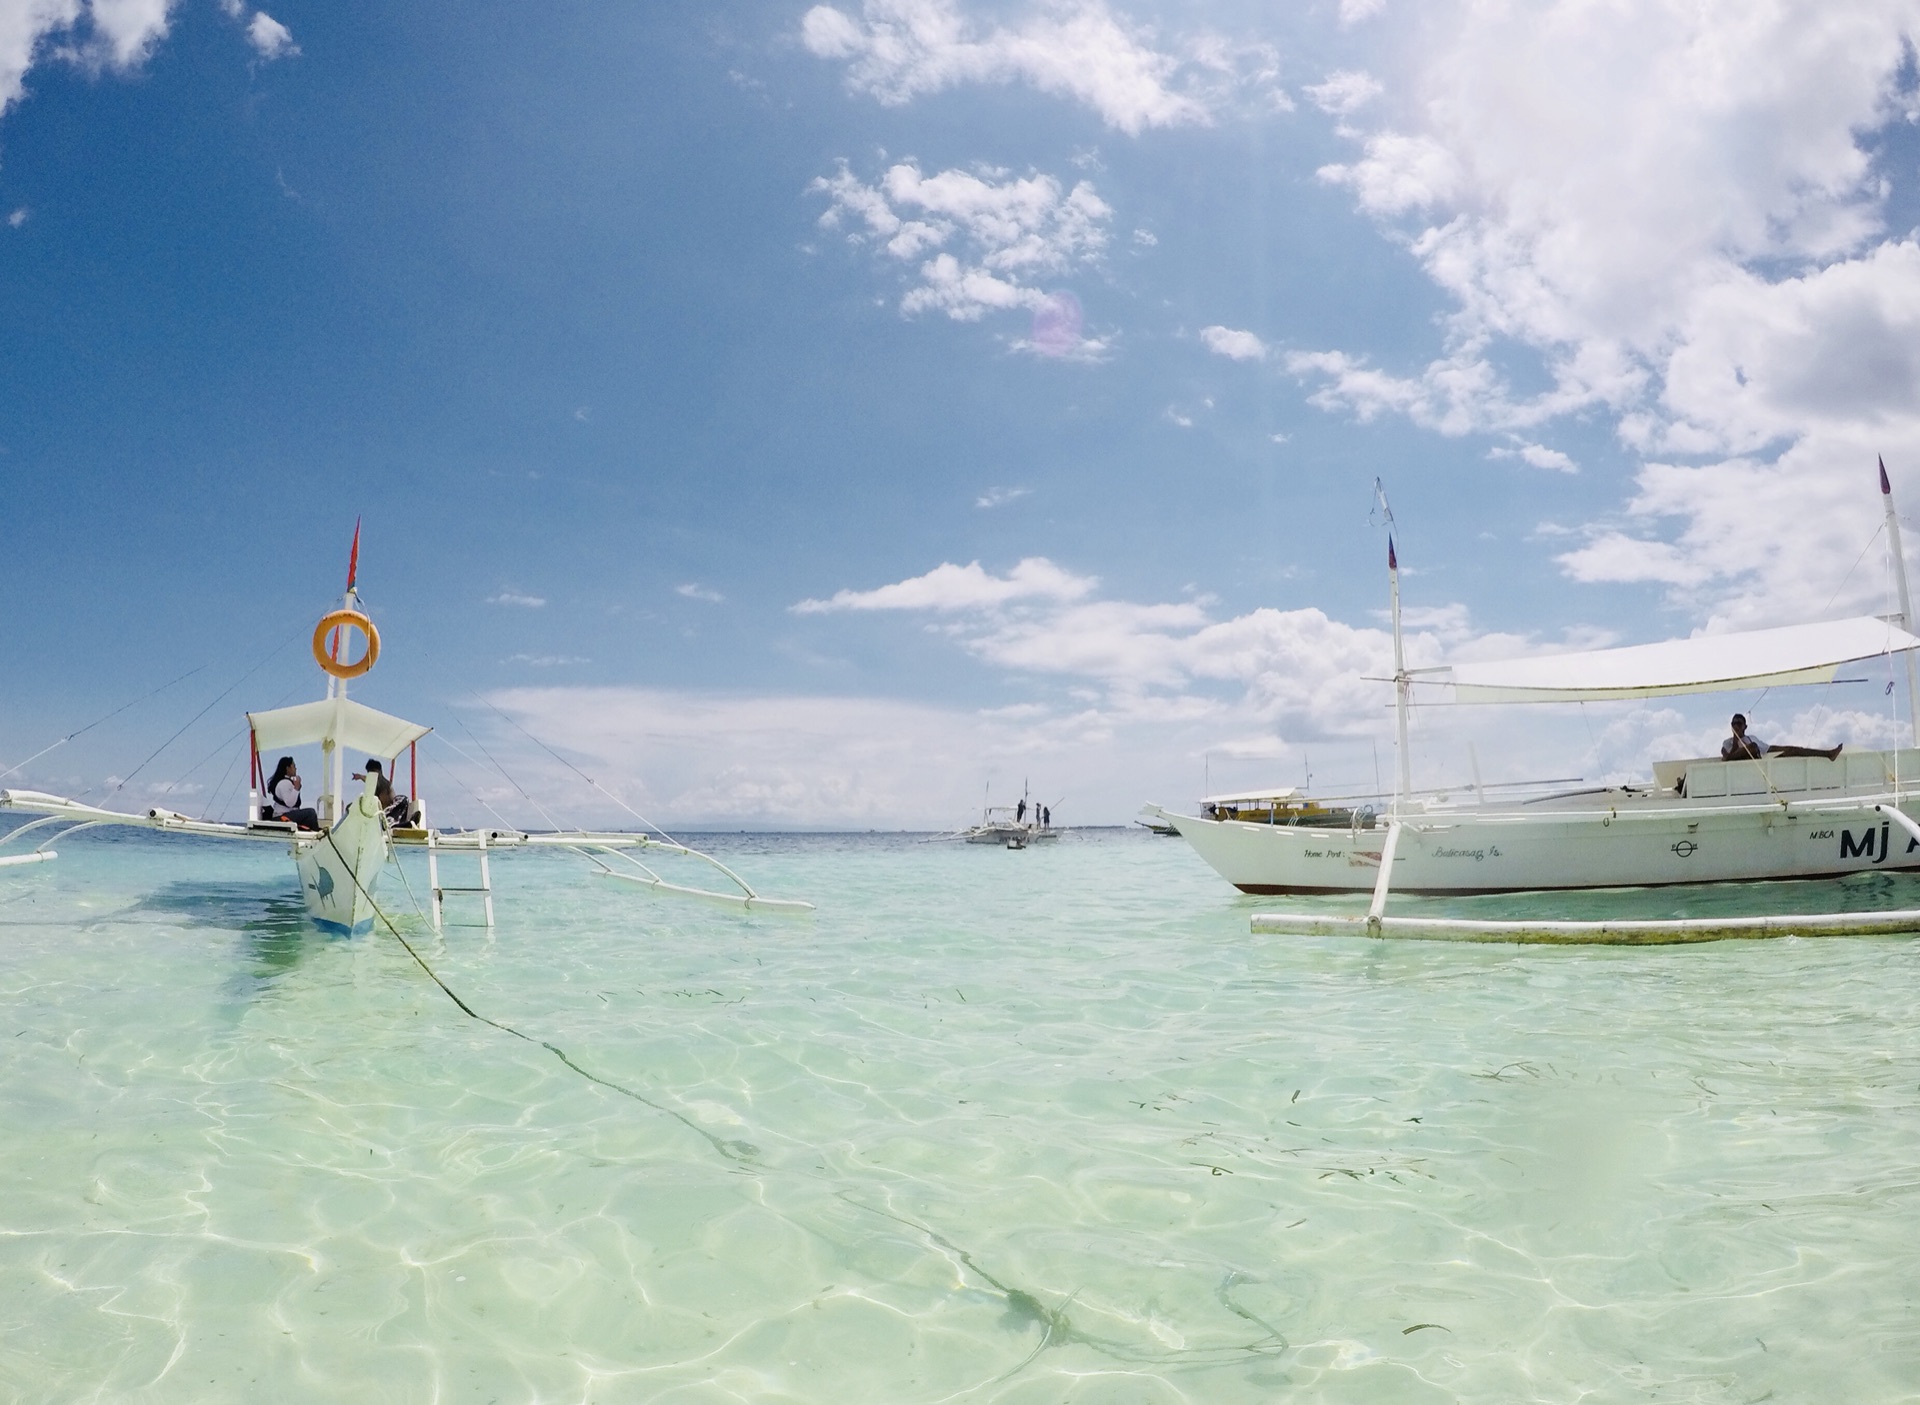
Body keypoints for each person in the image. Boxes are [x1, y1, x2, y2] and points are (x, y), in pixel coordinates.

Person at [1721, 713, 1842, 762]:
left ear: (1745, 726)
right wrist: (1736, 742)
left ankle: (1827, 754)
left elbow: (1769, 749)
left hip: (1764, 764)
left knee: (1794, 750)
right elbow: (1727, 759)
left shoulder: (1751, 738)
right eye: (1733, 724)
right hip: (1748, 768)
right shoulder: (1727, 743)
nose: (1736, 726)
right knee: (1752, 747)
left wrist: (1788, 749)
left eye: (1739, 724)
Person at [352, 758, 420, 828]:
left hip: (394, 814)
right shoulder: (372, 787)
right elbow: (371, 781)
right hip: (382, 817)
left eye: (373, 772)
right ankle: (400, 824)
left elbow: (379, 782)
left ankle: (407, 824)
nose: (372, 776)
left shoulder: (385, 783)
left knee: (403, 798)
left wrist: (361, 777)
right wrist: (360, 777)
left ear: (379, 771)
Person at [265, 756, 319, 830]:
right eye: (293, 766)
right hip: (281, 818)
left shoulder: (285, 782)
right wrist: (296, 788)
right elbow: (290, 803)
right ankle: (316, 833)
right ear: (288, 768)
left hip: (284, 816)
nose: (295, 768)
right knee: (311, 813)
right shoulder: (284, 783)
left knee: (307, 815)